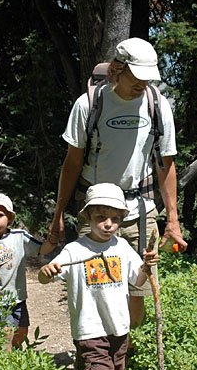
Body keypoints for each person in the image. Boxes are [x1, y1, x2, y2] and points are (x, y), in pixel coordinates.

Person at [47, 37, 187, 333]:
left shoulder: (157, 105)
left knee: (138, 291)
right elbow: (72, 164)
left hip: (140, 212)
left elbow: (165, 165)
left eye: (148, 77)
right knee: (93, 289)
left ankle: (127, 356)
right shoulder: (89, 104)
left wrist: (173, 221)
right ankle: (94, 355)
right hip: (95, 212)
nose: (143, 84)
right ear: (116, 70)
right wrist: (58, 214)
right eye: (137, 76)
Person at [38, 183, 159, 370]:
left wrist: (147, 265)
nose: (108, 224)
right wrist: (46, 272)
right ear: (88, 217)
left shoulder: (122, 247)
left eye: (115, 219)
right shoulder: (75, 250)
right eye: (101, 217)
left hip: (119, 329)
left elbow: (138, 279)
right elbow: (45, 278)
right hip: (90, 331)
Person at [0, 191, 54, 350]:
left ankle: (13, 353)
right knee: (5, 334)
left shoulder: (19, 237)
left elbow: (42, 249)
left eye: (0, 215)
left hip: (18, 297)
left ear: (9, 218)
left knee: (22, 331)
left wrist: (53, 240)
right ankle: (5, 360)